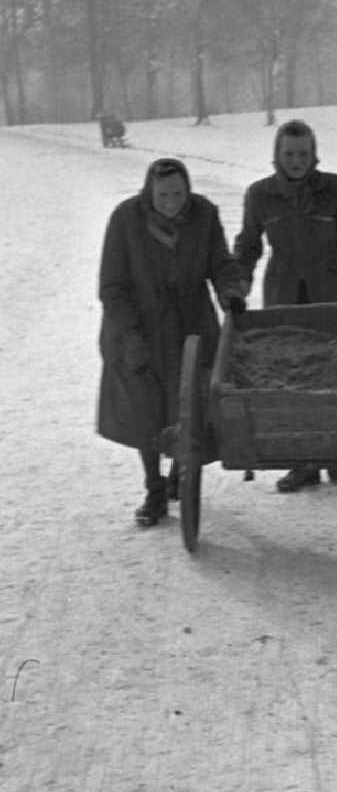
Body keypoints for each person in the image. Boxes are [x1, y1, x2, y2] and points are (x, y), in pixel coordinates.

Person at [234, 118, 337, 493]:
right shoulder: (260, 195)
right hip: (283, 295)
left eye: (303, 154)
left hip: (332, 292)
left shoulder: (334, 190)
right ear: (277, 156)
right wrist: (238, 284)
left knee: (336, 370)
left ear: (314, 155)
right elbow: (247, 247)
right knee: (289, 375)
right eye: (289, 154)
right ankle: (302, 461)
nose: (296, 161)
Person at [97, 158, 245, 527]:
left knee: (190, 404)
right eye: (163, 194)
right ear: (150, 191)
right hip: (139, 329)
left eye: (178, 193)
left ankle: (182, 470)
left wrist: (230, 290)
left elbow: (220, 263)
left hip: (191, 326)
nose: (171, 201)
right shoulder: (126, 219)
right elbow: (112, 285)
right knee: (144, 410)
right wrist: (130, 334)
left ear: (188, 190)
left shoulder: (204, 214)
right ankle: (154, 489)